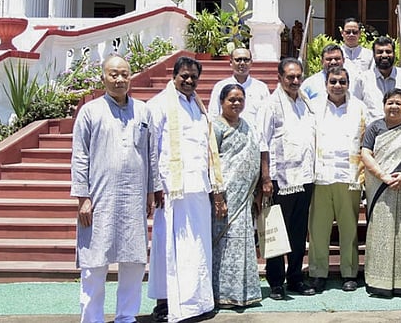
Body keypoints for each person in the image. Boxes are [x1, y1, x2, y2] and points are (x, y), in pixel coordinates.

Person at [72, 55, 157, 323]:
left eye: (124, 74)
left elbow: (151, 154)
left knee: (133, 261)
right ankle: (92, 318)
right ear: (103, 78)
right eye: (113, 74)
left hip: (134, 198)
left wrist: (150, 191)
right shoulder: (90, 111)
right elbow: (79, 156)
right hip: (99, 199)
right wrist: (83, 197)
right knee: (94, 262)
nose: (120, 79)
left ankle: (126, 317)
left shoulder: (143, 111)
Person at [148, 56, 225, 323]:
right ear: (174, 76)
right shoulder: (158, 105)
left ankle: (197, 302)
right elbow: (151, 148)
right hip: (172, 190)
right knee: (169, 247)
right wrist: (155, 185)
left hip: (198, 188)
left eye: (194, 77)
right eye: (185, 76)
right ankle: (165, 303)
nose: (189, 80)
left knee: (197, 247)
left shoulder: (199, 107)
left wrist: (215, 188)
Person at [360, 89, 401, 297]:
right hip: (380, 188)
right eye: (390, 103)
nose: (394, 107)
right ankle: (377, 279)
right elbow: (365, 153)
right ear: (384, 105)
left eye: (398, 103)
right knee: (380, 231)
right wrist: (384, 176)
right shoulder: (375, 127)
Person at [260, 57, 317, 300]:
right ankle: (275, 282)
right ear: (280, 78)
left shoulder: (305, 102)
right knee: (276, 230)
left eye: (298, 76)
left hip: (304, 176)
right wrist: (265, 178)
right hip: (279, 180)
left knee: (298, 231)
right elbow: (262, 142)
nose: (295, 81)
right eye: (290, 77)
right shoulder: (270, 105)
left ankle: (295, 278)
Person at [308, 66, 368, 293]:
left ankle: (350, 272)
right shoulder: (314, 107)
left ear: (348, 84)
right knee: (318, 228)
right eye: (333, 81)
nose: (337, 86)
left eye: (342, 81)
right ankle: (318, 273)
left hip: (349, 175)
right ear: (326, 84)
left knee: (349, 227)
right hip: (321, 175)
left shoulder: (359, 108)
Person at [211, 83, 262, 308]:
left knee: (242, 243)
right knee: (223, 244)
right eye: (232, 99)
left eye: (240, 99)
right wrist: (218, 196)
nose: (236, 103)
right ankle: (220, 294)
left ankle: (244, 293)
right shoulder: (215, 126)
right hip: (224, 197)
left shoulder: (246, 126)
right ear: (222, 101)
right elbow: (212, 162)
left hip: (245, 197)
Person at [352, 35, 401, 120]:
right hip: (372, 127)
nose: (384, 55)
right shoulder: (362, 79)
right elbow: (356, 107)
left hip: (400, 127)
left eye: (388, 51)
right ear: (373, 55)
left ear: (394, 53)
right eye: (380, 52)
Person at [208, 47, 270, 125]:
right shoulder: (220, 86)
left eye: (246, 60)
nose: (242, 63)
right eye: (238, 60)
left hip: (254, 132)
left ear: (251, 63)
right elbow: (213, 114)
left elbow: (267, 116)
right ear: (231, 62)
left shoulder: (261, 88)